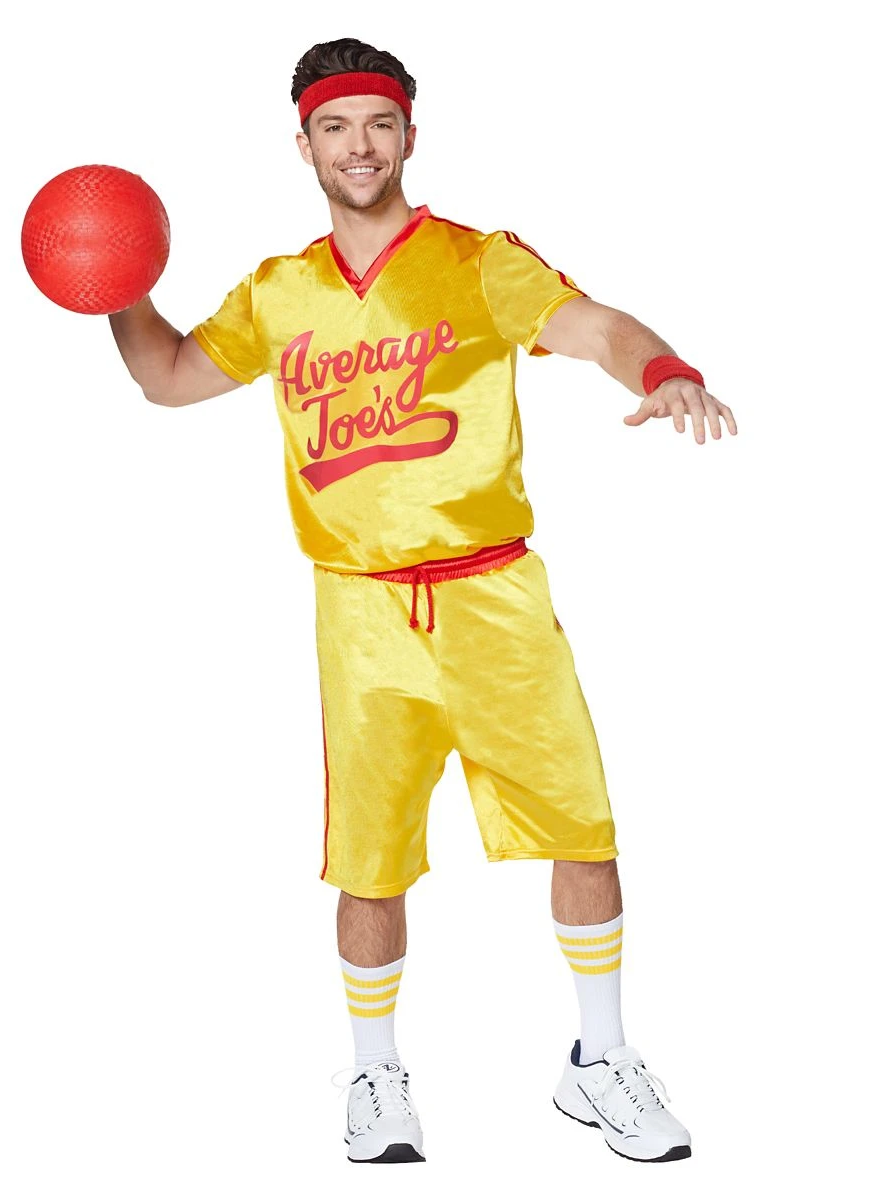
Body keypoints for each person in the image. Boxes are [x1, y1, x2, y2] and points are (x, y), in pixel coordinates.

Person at [108, 36, 736, 1166]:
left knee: (581, 826)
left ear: (408, 134)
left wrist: (664, 369)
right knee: (369, 859)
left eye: (378, 124)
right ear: (303, 145)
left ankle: (598, 1059)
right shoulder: (278, 291)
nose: (358, 146)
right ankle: (375, 1076)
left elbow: (595, 326)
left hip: (492, 596)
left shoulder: (478, 262)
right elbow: (165, 377)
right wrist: (116, 287)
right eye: (335, 128)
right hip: (360, 614)